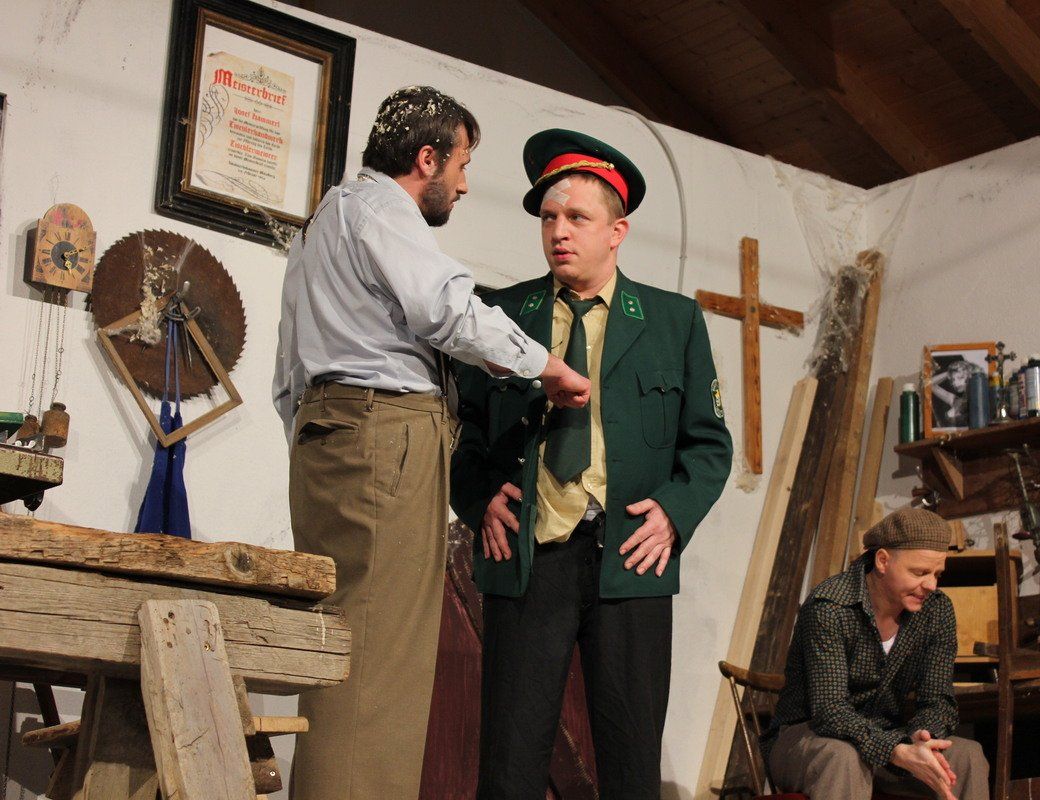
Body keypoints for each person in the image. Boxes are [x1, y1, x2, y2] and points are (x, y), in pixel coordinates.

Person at [272, 88, 589, 800]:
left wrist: (310, 432)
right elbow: (445, 308)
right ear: (426, 159)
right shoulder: (382, 209)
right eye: (462, 164)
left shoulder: (324, 219)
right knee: (379, 655)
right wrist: (543, 364)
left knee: (339, 641)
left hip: (327, 435)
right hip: (385, 435)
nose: (466, 184)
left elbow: (288, 363)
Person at [450, 128, 733, 799]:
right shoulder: (500, 314)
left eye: (577, 218)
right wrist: (479, 499)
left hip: (630, 559)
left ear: (617, 231)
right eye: (549, 217)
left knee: (632, 764)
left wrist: (674, 513)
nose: (559, 232)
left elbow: (709, 443)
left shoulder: (673, 321)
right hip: (530, 558)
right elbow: (460, 432)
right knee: (510, 763)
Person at [762, 508, 988, 800]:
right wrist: (895, 749)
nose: (931, 585)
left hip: (888, 734)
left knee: (968, 756)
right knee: (844, 757)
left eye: (937, 574)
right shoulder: (830, 606)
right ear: (882, 560)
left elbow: (938, 700)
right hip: (808, 738)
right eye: (919, 572)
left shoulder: (937, 610)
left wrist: (922, 738)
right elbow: (830, 712)